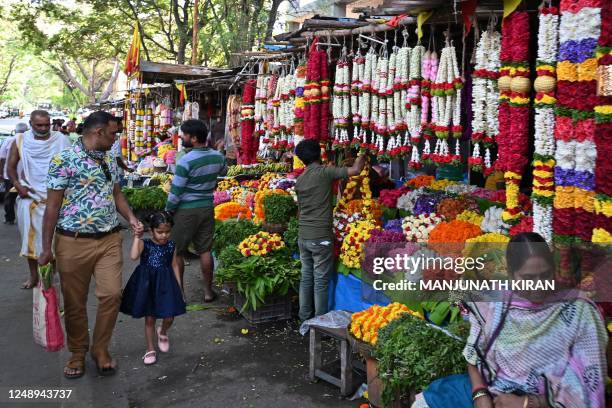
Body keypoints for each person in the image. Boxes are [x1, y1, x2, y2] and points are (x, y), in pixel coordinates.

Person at [412, 232, 608, 408]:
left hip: (548, 402)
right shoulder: (496, 304)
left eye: (545, 274)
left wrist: (527, 403)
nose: (539, 285)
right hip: (493, 391)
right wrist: (479, 394)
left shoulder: (577, 311)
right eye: (529, 277)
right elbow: (474, 358)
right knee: (429, 399)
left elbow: (586, 386)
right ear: (512, 275)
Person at [39, 111, 143, 379]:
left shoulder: (109, 156)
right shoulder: (64, 160)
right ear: (98, 132)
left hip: (109, 239)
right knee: (74, 303)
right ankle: (77, 353)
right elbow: (52, 207)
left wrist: (131, 217)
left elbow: (116, 192)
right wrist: (46, 248)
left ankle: (100, 348)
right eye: (113, 132)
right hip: (72, 242)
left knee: (111, 295)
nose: (116, 137)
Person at [294, 139, 366, 321]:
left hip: (303, 236)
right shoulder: (325, 172)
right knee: (320, 282)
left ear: (302, 160)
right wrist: (364, 151)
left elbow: (299, 212)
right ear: (319, 154)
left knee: (306, 278)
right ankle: (320, 323)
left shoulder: (300, 180)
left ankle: (304, 317)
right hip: (320, 236)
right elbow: (356, 170)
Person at [165, 119, 227, 302]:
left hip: (185, 211)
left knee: (177, 251)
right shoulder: (218, 156)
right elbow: (223, 172)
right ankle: (208, 292)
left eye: (184, 134)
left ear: (193, 138)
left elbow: (176, 191)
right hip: (207, 207)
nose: (182, 137)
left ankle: (180, 295)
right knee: (205, 250)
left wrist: (168, 210)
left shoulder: (185, 160)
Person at [7, 111, 71, 289]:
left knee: (55, 243)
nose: (43, 128)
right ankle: (34, 276)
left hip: (57, 199)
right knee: (30, 242)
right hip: (31, 199)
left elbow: (71, 166)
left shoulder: (61, 139)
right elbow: (10, 167)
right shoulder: (20, 141)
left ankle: (50, 277)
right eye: (39, 125)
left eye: (46, 125)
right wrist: (17, 184)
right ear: (31, 123)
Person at [120, 212, 186, 365]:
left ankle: (162, 331)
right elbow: (134, 256)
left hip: (166, 283)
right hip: (147, 284)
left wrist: (180, 287)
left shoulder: (171, 245)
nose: (164, 235)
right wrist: (137, 236)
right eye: (160, 232)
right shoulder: (145, 244)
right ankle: (150, 348)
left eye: (167, 232)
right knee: (150, 318)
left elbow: (174, 265)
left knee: (169, 316)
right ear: (151, 231)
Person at [0, 122, 28, 224]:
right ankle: (25, 219)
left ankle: (9, 218)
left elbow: (2, 158)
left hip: (10, 176)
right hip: (26, 176)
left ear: (15, 130)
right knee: (26, 198)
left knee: (9, 198)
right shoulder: (29, 140)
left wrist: (1, 172)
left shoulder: (8, 140)